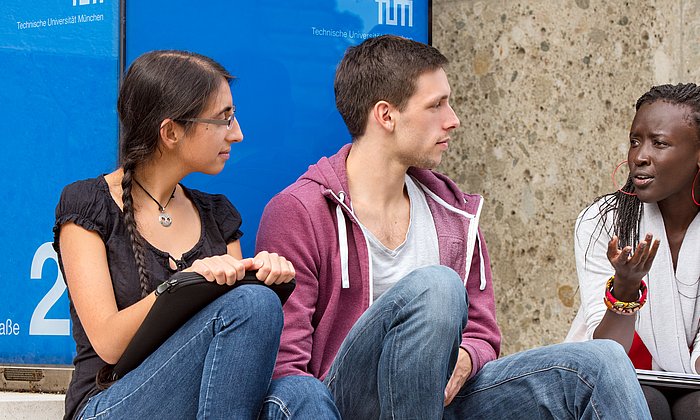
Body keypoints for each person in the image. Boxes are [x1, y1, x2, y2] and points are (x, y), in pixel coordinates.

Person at [256, 34, 650, 419]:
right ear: (386, 115)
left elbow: (482, 331)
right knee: (437, 287)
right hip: (344, 402)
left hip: (440, 397)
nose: (454, 120)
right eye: (436, 105)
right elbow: (286, 370)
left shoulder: (454, 209)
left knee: (601, 361)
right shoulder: (299, 211)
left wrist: (466, 356)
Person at [53, 50, 295, 419]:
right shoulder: (88, 204)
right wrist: (184, 283)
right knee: (252, 304)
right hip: (109, 402)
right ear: (170, 132)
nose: (238, 133)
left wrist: (263, 276)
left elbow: (236, 346)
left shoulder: (218, 214)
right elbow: (109, 343)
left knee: (301, 392)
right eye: (223, 118)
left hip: (203, 402)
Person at [568, 83, 700, 419]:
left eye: (659, 143)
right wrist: (625, 288)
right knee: (646, 403)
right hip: (619, 373)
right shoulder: (602, 221)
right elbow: (605, 352)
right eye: (634, 141)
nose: (639, 156)